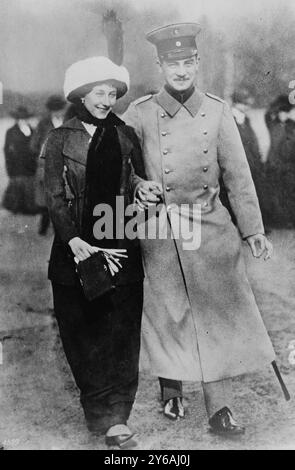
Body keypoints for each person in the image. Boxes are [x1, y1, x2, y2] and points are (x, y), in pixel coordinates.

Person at [123, 22, 277, 435]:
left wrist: (252, 230)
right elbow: (119, 167)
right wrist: (137, 185)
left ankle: (220, 408)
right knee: (169, 314)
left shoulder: (217, 111)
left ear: (197, 62)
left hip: (209, 229)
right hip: (161, 232)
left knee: (214, 319)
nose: (181, 70)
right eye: (173, 63)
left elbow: (238, 178)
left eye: (188, 61)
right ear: (160, 65)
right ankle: (171, 384)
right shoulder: (138, 113)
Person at [43, 56, 146, 448]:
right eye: (97, 93)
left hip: (121, 242)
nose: (105, 100)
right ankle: (99, 410)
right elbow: (53, 197)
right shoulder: (58, 140)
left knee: (122, 333)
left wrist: (144, 192)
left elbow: (135, 180)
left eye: (111, 93)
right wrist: (74, 241)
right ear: (81, 96)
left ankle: (117, 416)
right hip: (76, 251)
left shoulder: (125, 135)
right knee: (83, 335)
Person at [219, 89, 266, 226]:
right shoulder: (228, 118)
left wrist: (257, 158)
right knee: (234, 195)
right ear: (236, 104)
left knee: (249, 195)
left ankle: (251, 225)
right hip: (235, 165)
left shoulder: (246, 119)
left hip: (251, 164)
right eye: (244, 103)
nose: (247, 107)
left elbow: (253, 141)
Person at [31, 95, 67, 235]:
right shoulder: (43, 124)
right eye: (55, 110)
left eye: (60, 109)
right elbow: (34, 145)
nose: (58, 112)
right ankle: (44, 227)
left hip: (64, 165)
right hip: (45, 165)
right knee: (47, 198)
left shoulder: (68, 122)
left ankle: (61, 228)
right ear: (51, 111)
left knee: (63, 197)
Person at [2, 106, 38, 214]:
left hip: (30, 164)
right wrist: (9, 166)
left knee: (29, 186)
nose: (22, 120)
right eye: (20, 118)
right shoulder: (10, 131)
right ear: (16, 119)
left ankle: (30, 208)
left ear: (27, 118)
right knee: (17, 185)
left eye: (24, 118)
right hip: (16, 163)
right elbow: (6, 150)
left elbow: (37, 147)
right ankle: (16, 207)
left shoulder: (33, 130)